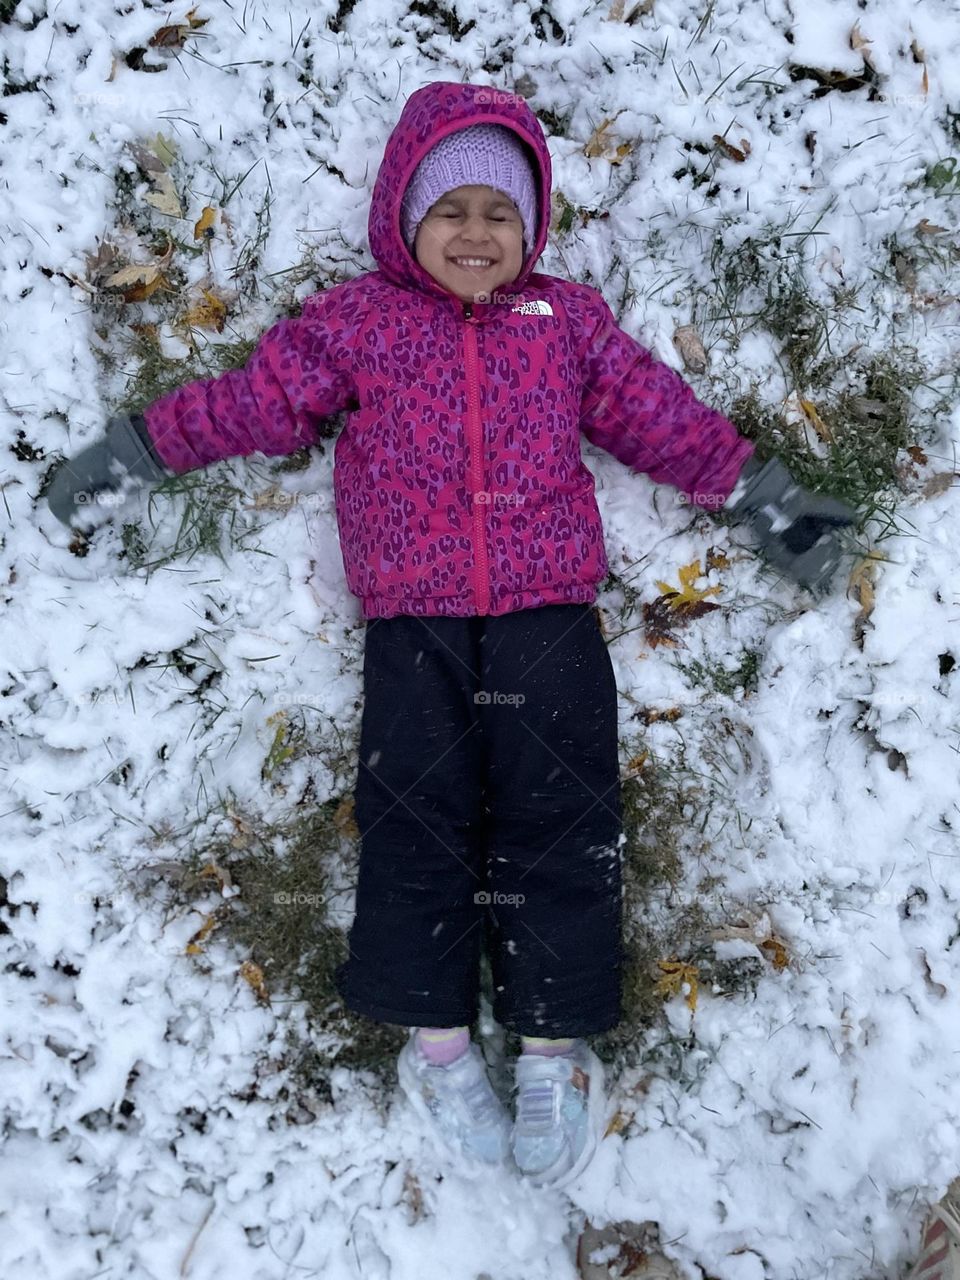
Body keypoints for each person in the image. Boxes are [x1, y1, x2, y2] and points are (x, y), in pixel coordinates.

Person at [43, 80, 855, 1188]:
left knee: (563, 816)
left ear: (532, 230)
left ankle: (553, 1041)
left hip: (548, 617)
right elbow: (251, 401)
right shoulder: (358, 324)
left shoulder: (565, 322)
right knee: (413, 817)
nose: (476, 235)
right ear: (403, 218)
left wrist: (765, 495)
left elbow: (661, 418)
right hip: (414, 622)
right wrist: (139, 450)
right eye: (450, 211)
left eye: (500, 215)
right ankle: (434, 1038)